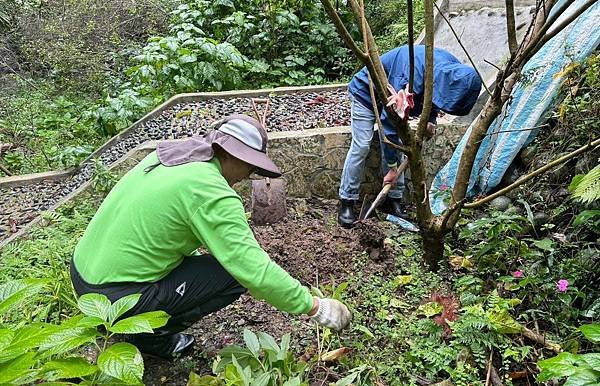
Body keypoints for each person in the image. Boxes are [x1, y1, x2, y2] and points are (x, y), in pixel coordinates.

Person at [71, 114, 351, 359]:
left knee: (213, 264)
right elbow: (253, 270)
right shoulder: (210, 192)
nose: (249, 175)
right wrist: (315, 307)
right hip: (114, 299)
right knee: (233, 275)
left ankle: (137, 319)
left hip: (83, 279)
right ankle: (149, 336)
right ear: (230, 155)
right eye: (250, 166)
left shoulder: (167, 155)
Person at [338, 45, 482, 228]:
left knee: (401, 147)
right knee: (362, 146)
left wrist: (430, 119)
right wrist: (392, 169)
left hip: (393, 100)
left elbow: (436, 93)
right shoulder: (407, 77)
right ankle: (347, 201)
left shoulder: (454, 71)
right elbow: (390, 128)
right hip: (366, 93)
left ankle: (393, 201)